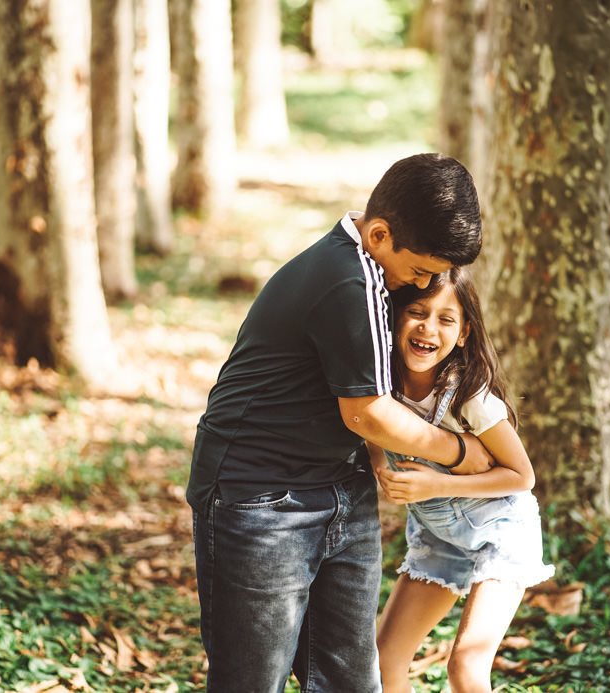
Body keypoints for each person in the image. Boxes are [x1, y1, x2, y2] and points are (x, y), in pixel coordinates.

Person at [186, 153, 490, 691]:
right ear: (379, 234)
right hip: (260, 496)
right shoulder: (348, 279)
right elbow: (367, 411)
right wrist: (462, 453)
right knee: (252, 679)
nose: (423, 283)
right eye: (420, 270)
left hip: (341, 485)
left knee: (349, 679)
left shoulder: (376, 269)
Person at [370, 266, 554, 693]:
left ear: (464, 333)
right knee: (384, 659)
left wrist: (438, 485)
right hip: (439, 537)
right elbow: (370, 428)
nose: (428, 328)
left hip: (501, 532)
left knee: (466, 667)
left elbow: (521, 476)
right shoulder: (380, 384)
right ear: (395, 317)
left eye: (445, 319)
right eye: (417, 312)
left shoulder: (470, 396)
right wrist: (381, 465)